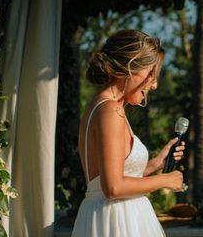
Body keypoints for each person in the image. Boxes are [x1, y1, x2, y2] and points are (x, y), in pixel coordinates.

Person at [71, 29, 186, 237]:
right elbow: (113, 187)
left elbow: (115, 176)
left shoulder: (102, 106)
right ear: (131, 67)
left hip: (112, 215)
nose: (155, 84)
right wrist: (166, 180)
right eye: (151, 74)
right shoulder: (110, 111)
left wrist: (157, 163)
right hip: (116, 221)